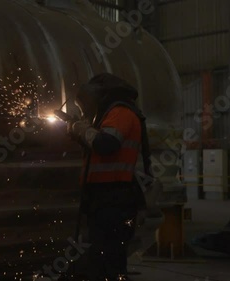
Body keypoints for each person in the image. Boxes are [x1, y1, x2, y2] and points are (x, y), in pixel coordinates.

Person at [68, 73, 149, 281]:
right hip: (103, 197)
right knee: (100, 258)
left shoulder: (120, 112)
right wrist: (77, 129)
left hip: (114, 197)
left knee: (110, 257)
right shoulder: (109, 115)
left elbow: (106, 145)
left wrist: (83, 130)